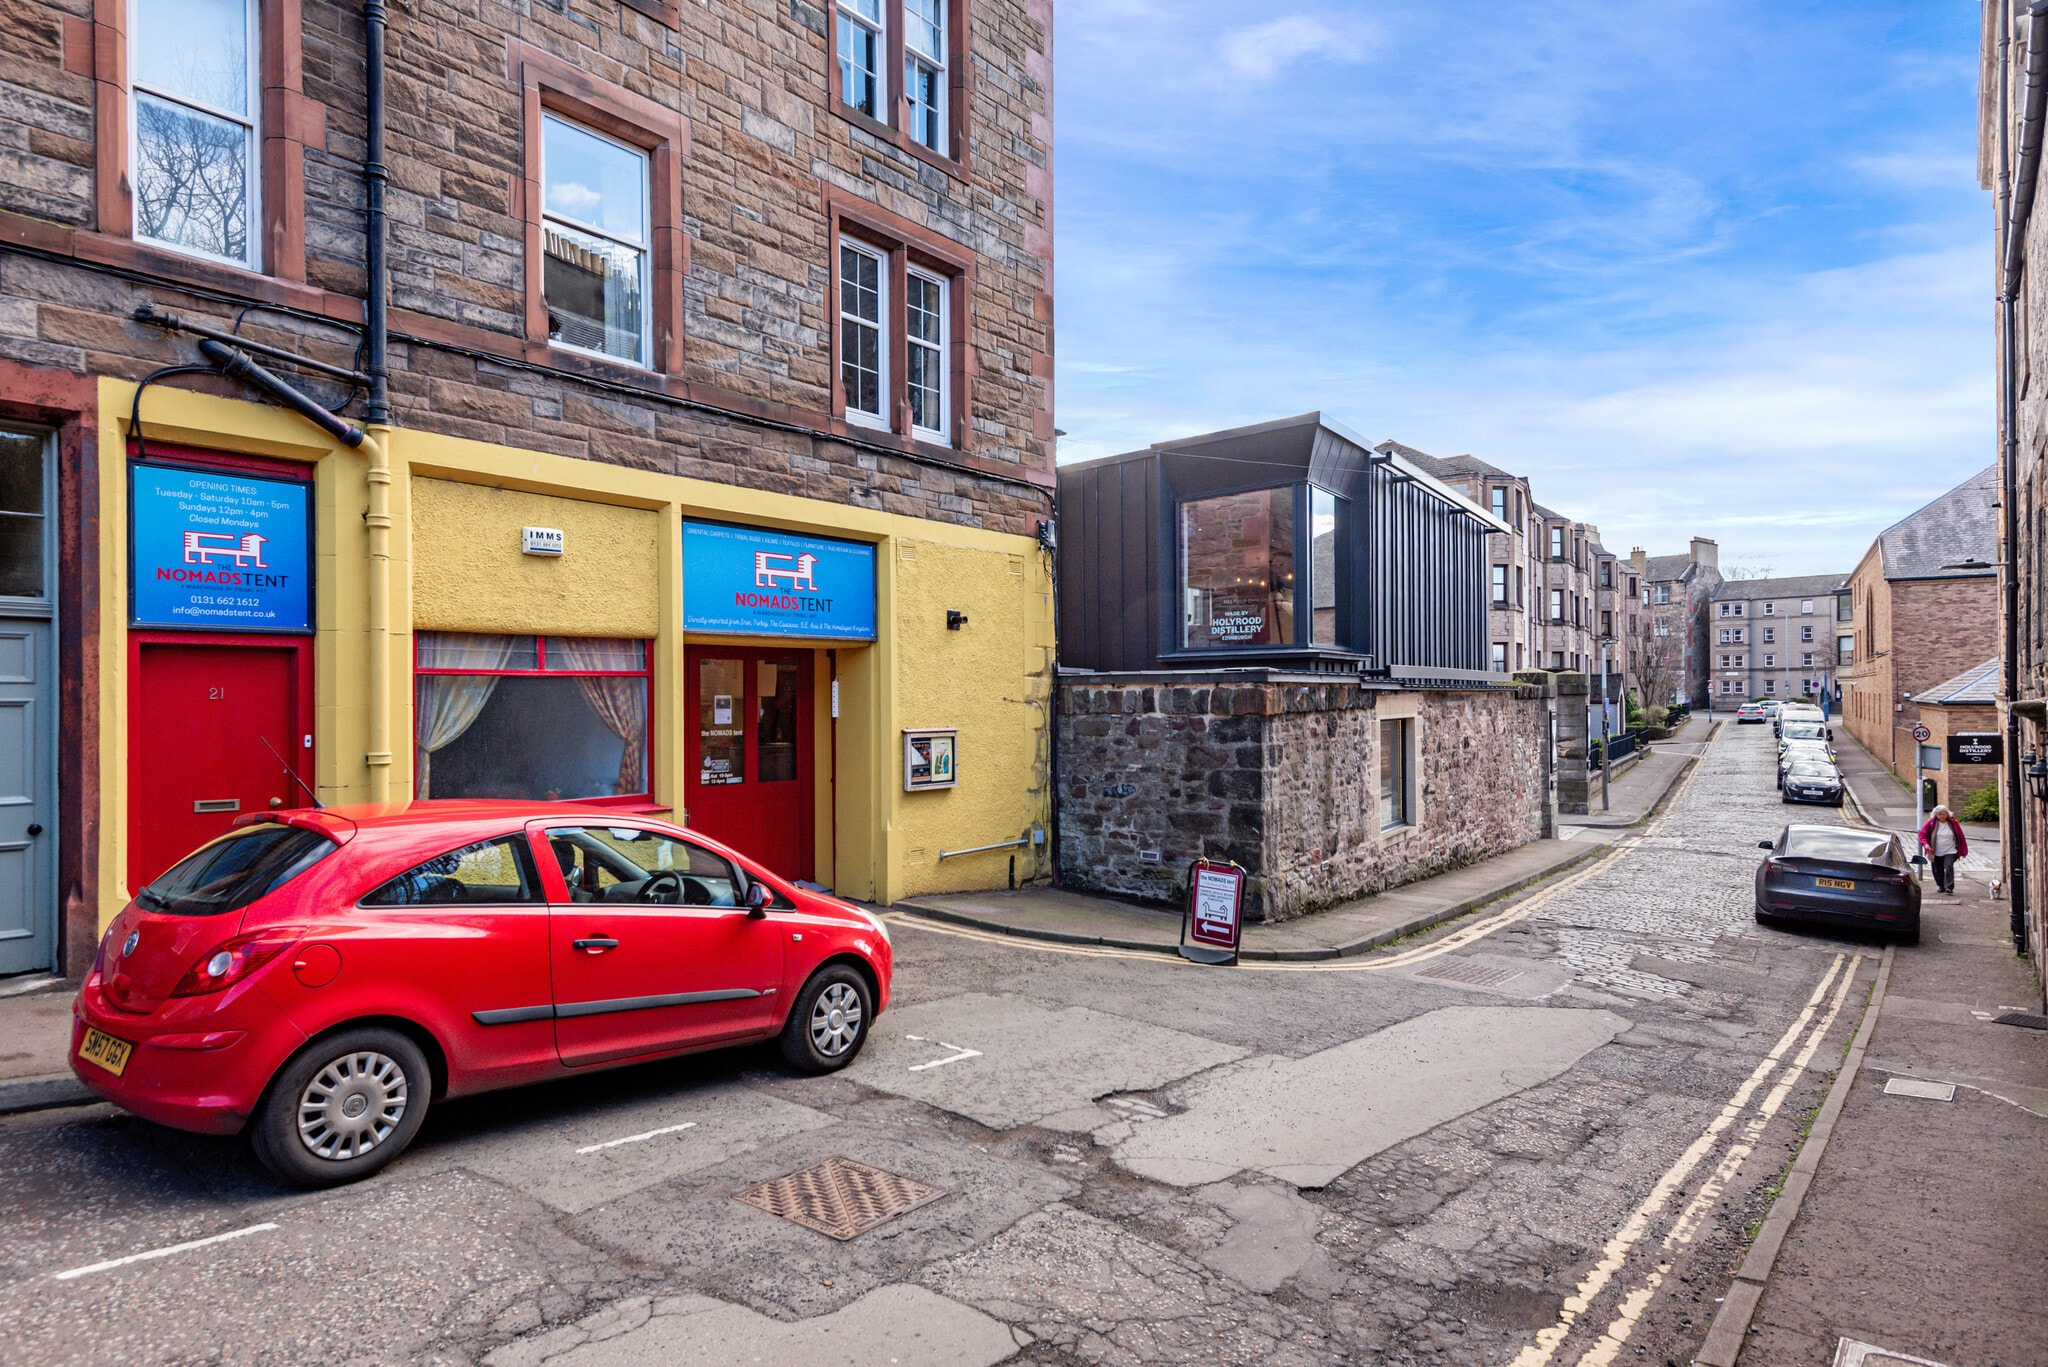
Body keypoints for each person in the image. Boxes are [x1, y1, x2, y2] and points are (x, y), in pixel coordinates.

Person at [1918, 804, 1968, 896]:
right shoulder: (1931, 822)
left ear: (1947, 814)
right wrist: (1925, 844)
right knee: (1937, 869)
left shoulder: (1953, 823)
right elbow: (1922, 835)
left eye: (1944, 814)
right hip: (1935, 851)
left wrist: (1963, 851)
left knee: (1948, 866)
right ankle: (1941, 886)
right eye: (1939, 814)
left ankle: (1949, 887)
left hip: (1950, 850)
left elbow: (1961, 837)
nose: (1942, 816)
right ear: (1936, 815)